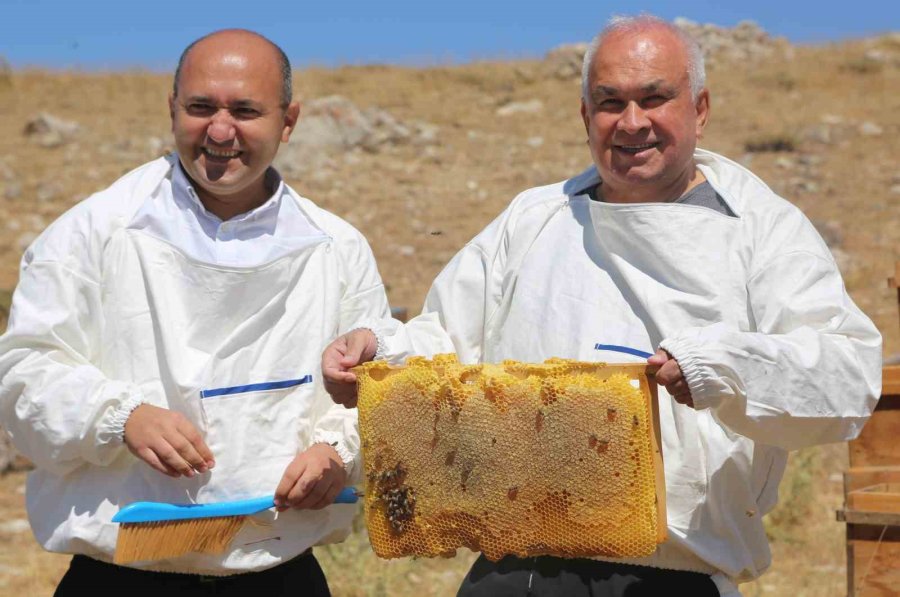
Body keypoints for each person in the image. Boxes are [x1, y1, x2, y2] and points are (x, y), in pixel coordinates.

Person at [322, 14, 883, 597]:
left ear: (700, 109)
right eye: (610, 102)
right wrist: (381, 353)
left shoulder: (763, 229)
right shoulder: (532, 219)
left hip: (675, 574)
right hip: (518, 568)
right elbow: (447, 340)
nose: (632, 122)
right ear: (585, 115)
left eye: (655, 98)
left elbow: (847, 374)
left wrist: (720, 366)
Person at [0, 29, 390, 596]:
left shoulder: (336, 247)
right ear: (172, 109)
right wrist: (121, 418)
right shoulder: (94, 232)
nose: (220, 131)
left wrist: (337, 453)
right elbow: (23, 375)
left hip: (280, 576)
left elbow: (380, 384)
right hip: (121, 580)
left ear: (288, 121)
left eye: (246, 111)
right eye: (201, 107)